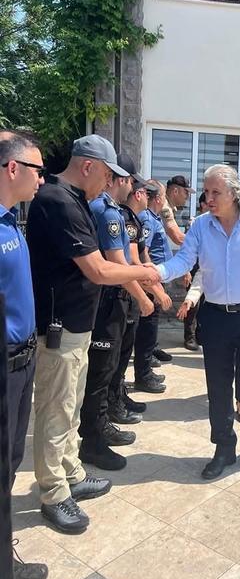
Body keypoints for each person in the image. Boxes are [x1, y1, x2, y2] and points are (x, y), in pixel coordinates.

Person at [26, 134, 159, 534]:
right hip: (60, 326)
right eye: (107, 175)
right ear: (88, 166)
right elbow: (98, 270)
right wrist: (145, 273)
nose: (110, 183)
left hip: (78, 324)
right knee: (56, 410)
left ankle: (71, 473)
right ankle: (54, 494)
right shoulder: (57, 201)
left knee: (71, 406)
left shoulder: (78, 200)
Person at [157, 164, 240, 479]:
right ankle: (223, 448)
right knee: (218, 388)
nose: (209, 198)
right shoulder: (201, 227)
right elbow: (184, 260)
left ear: (234, 193)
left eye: (215, 192)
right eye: (206, 191)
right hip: (216, 317)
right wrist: (157, 273)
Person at [78, 153, 161, 471]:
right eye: (131, 182)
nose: (134, 188)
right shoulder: (108, 212)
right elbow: (119, 263)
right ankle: (94, 438)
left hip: (112, 297)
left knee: (109, 366)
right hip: (109, 299)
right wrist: (144, 294)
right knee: (101, 372)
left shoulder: (109, 209)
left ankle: (100, 425)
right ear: (122, 180)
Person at [0, 130, 48, 579]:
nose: (42, 179)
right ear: (13, 168)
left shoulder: (12, 220)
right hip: (5, 364)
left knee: (11, 460)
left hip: (22, 360)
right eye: (37, 169)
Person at [107, 178, 171, 424]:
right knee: (115, 356)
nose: (147, 196)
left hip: (134, 290)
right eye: (144, 191)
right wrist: (152, 293)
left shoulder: (133, 218)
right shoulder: (126, 218)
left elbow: (144, 258)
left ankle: (118, 395)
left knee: (124, 352)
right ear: (138, 195)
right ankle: (112, 403)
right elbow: (132, 262)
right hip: (124, 293)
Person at [133, 180, 173, 393]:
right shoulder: (147, 219)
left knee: (150, 329)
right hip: (148, 282)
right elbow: (143, 253)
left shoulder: (154, 218)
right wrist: (154, 283)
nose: (165, 200)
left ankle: (146, 369)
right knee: (146, 329)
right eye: (164, 195)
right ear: (158, 198)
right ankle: (143, 374)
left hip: (154, 279)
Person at [161, 175, 197, 351]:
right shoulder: (164, 206)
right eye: (185, 192)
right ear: (175, 191)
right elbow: (176, 236)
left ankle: (151, 349)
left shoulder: (170, 207)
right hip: (152, 265)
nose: (187, 197)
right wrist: (199, 241)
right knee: (148, 313)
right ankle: (146, 354)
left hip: (160, 264)